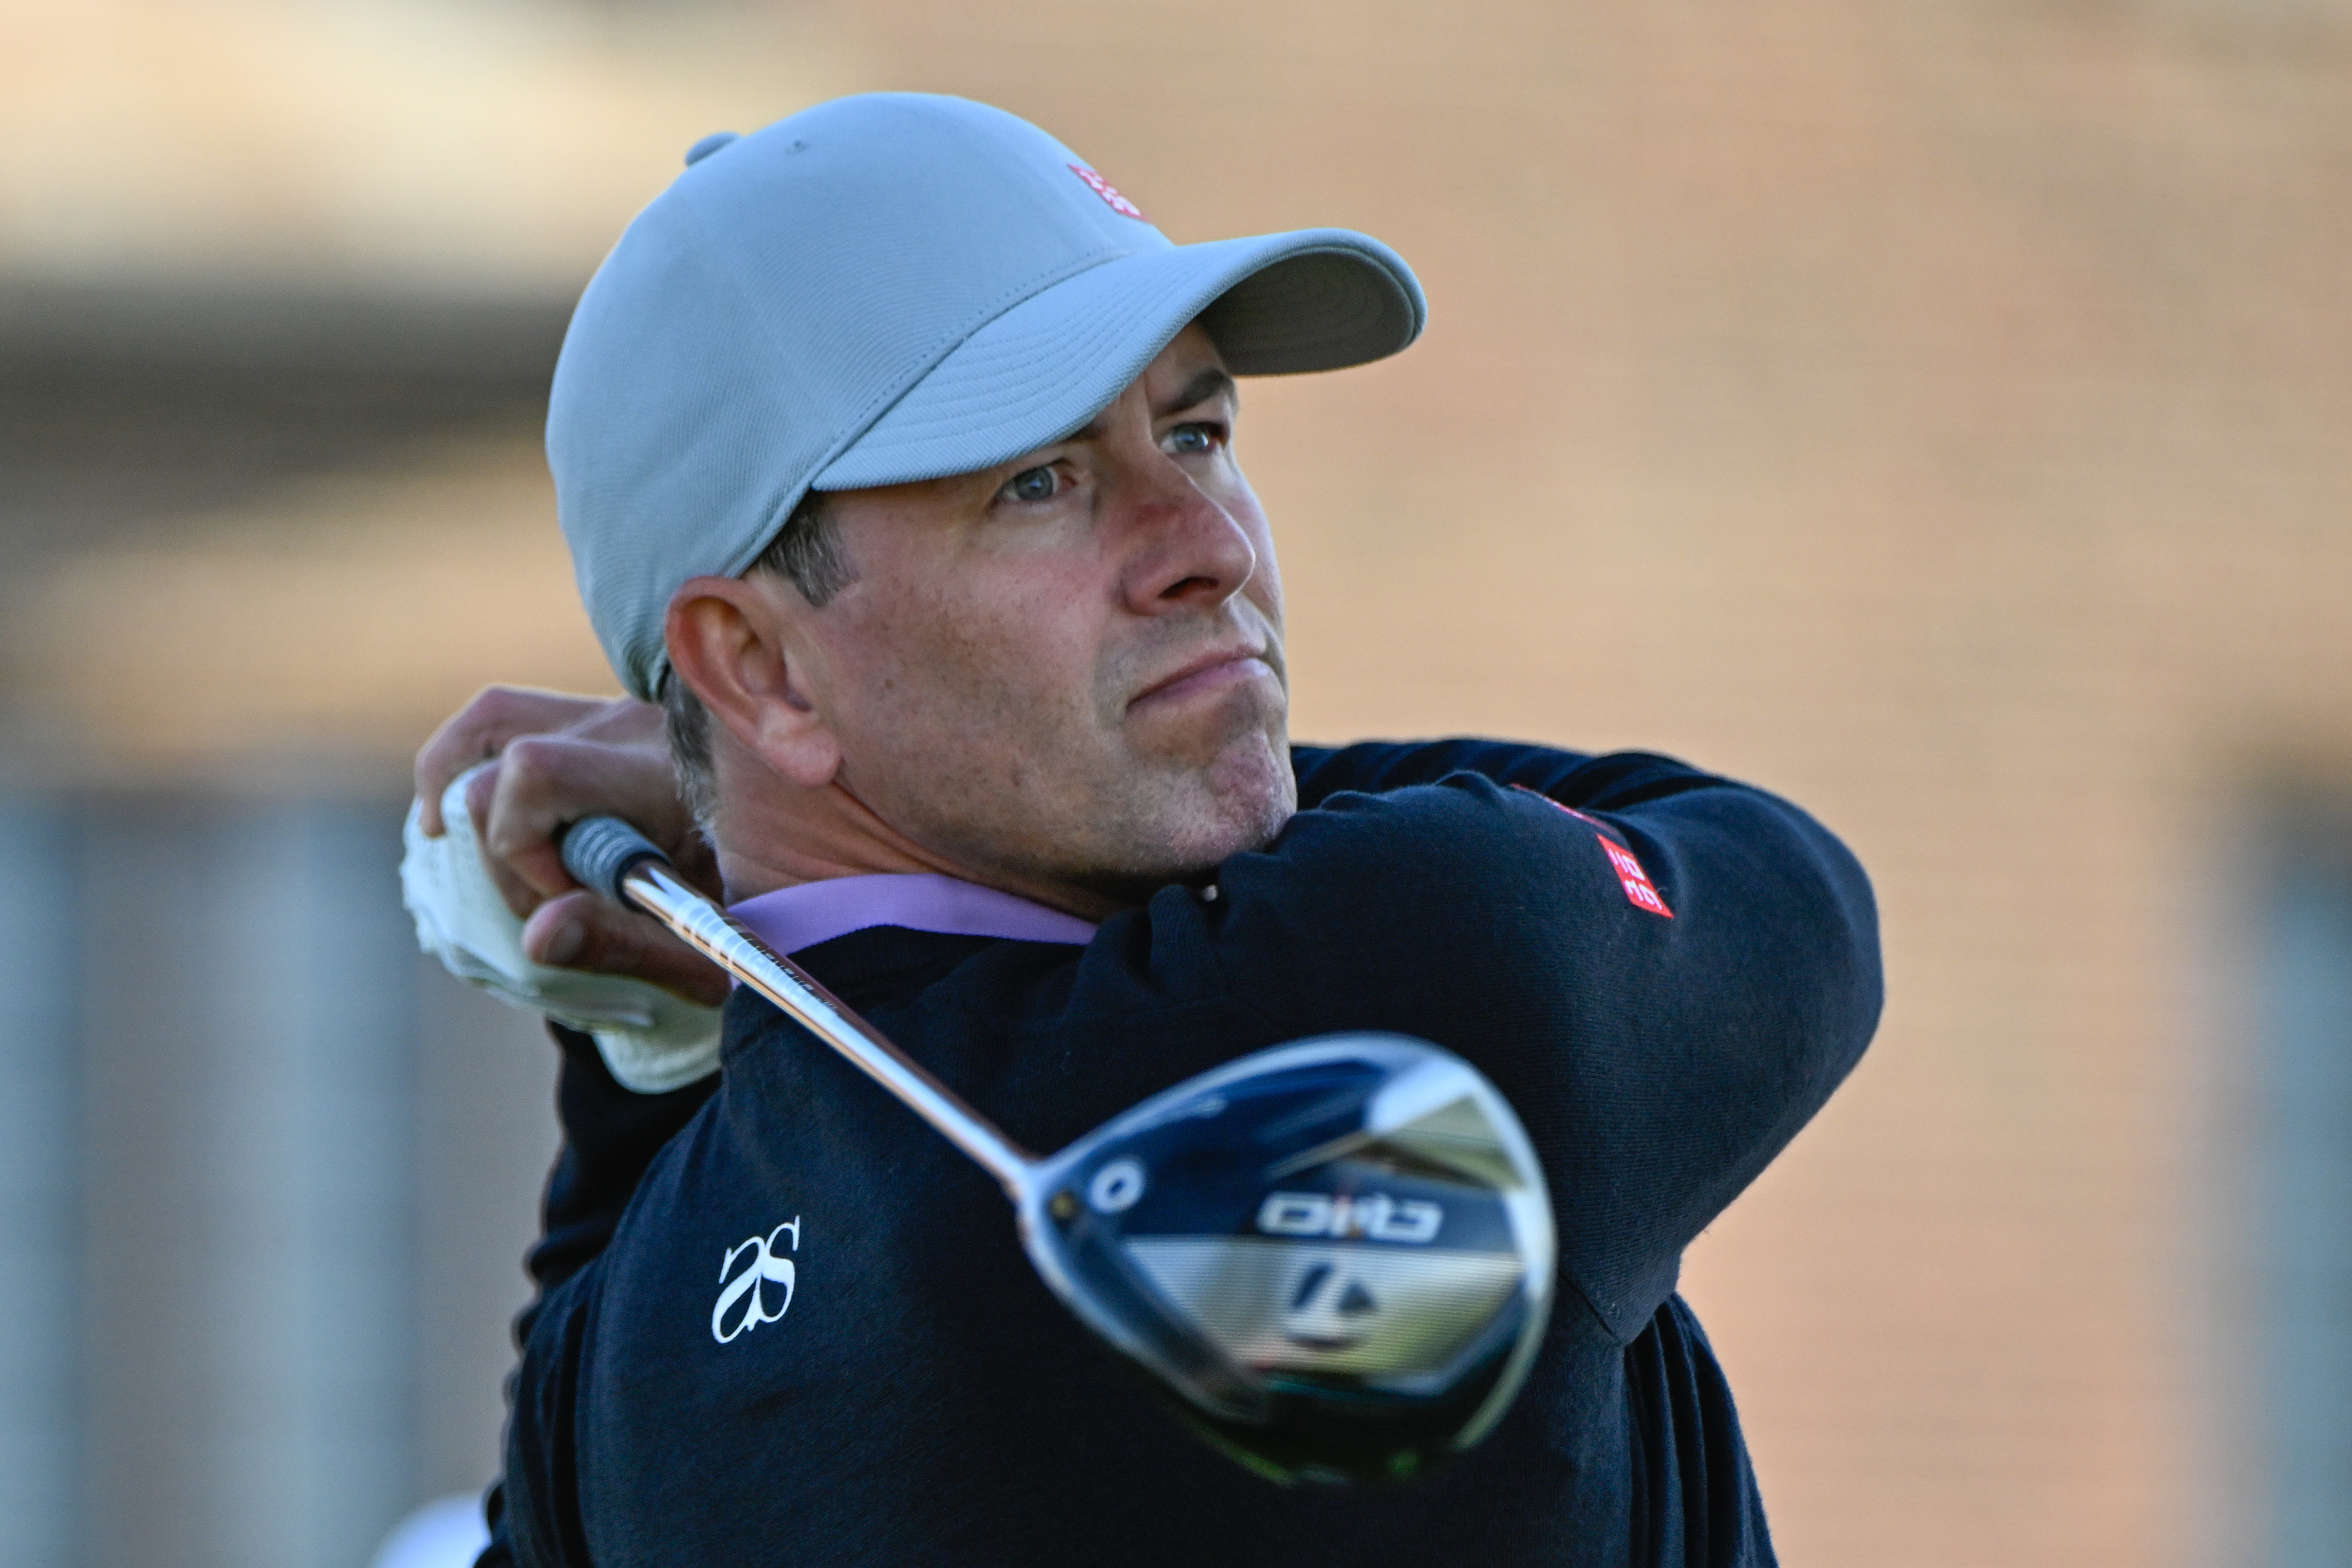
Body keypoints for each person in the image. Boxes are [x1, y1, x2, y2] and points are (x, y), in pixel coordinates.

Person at [416, 92, 1881, 1567]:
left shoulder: (624, 1367)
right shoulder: (1380, 982)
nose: (1211, 543)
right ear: (762, 664)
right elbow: (1777, 876)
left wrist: (714, 867)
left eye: (1195, 429)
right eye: (1038, 482)